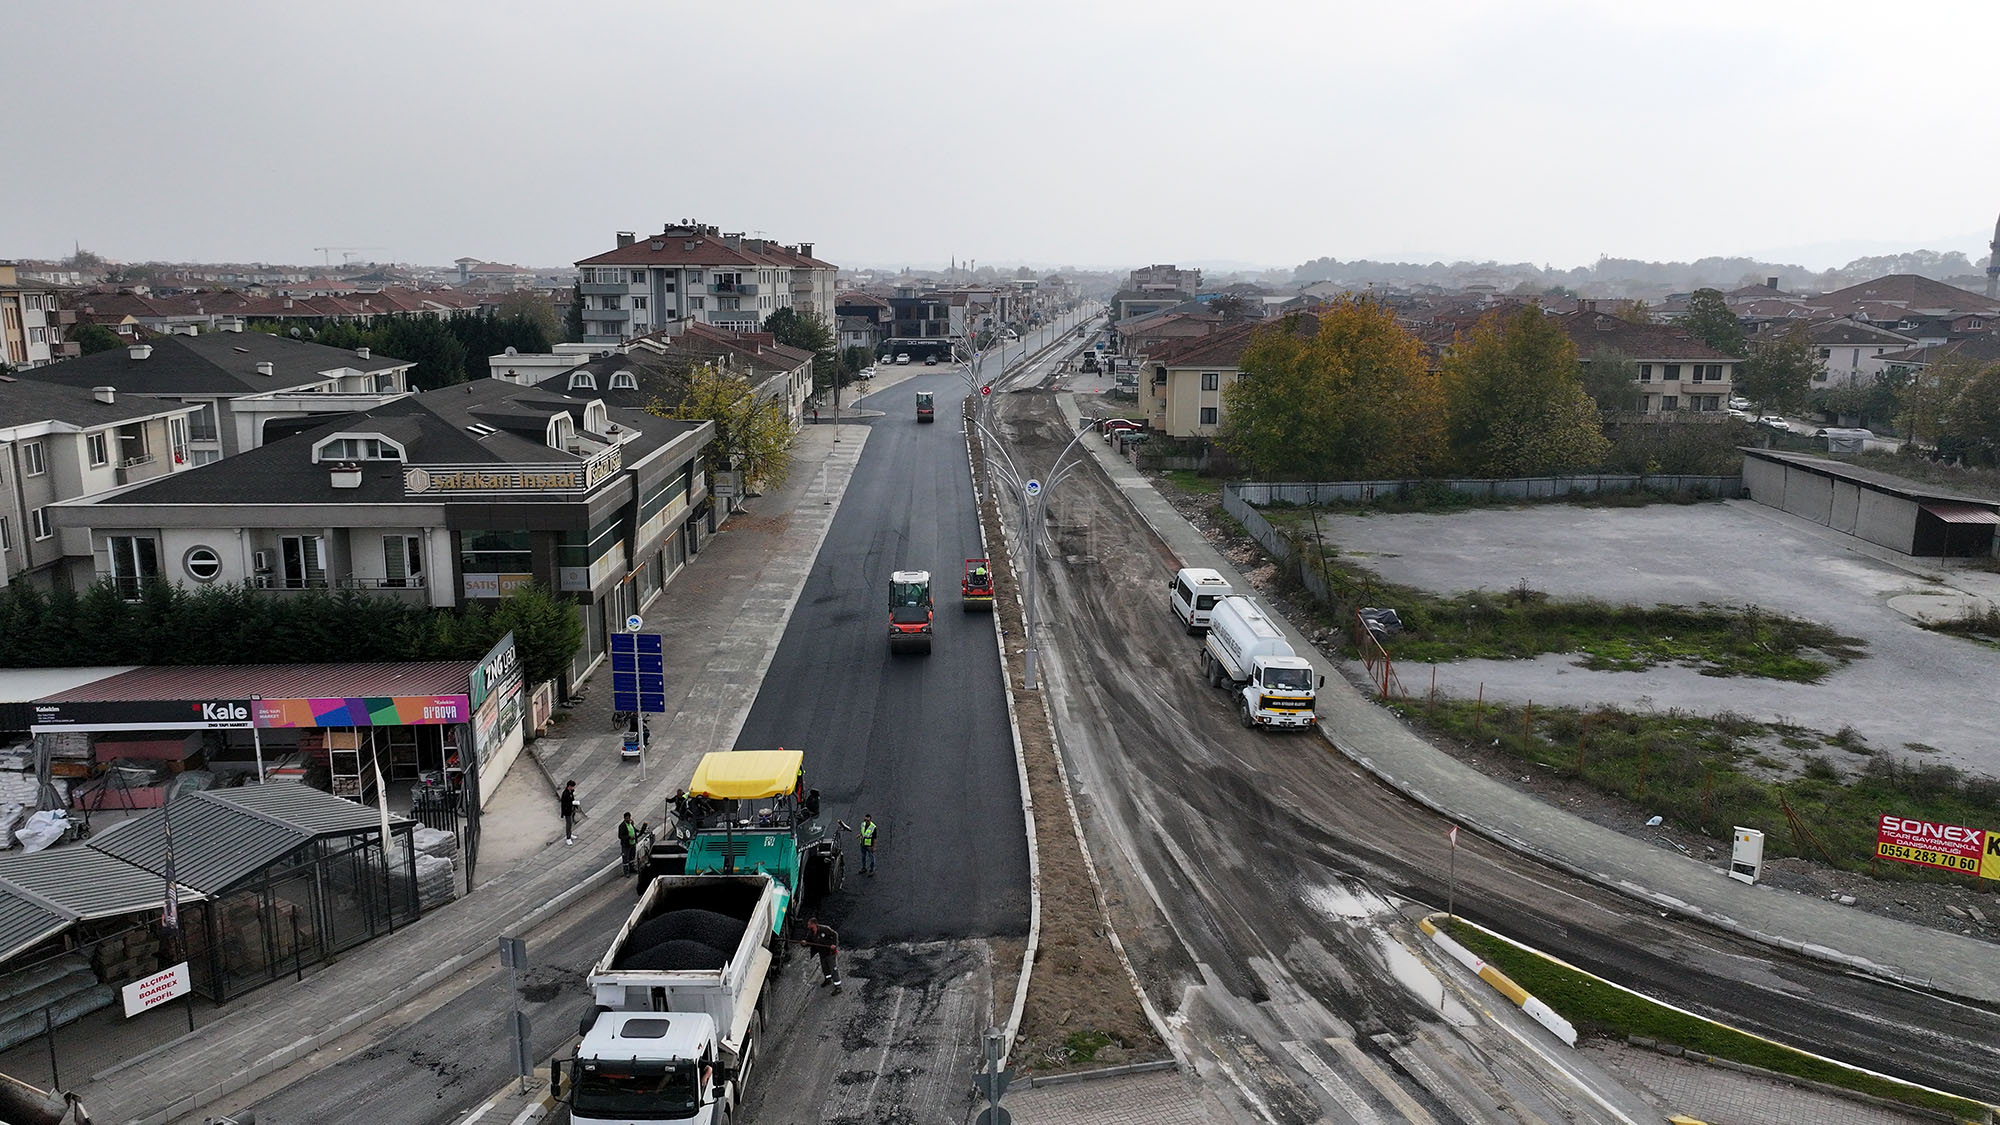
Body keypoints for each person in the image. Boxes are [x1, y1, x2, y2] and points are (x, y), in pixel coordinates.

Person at [802, 917, 842, 988]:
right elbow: (808, 941)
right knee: (825, 968)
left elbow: (835, 934)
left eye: (809, 924)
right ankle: (828, 979)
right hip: (822, 954)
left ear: (813, 924)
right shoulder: (811, 933)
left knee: (833, 969)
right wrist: (804, 943)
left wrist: (834, 944)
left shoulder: (824, 929)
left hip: (830, 953)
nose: (807, 926)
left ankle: (838, 986)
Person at [559, 780, 579, 845]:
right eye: (573, 787)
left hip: (571, 810)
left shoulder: (571, 792)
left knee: (571, 823)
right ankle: (568, 838)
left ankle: (570, 834)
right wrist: (573, 803)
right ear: (569, 786)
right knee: (569, 824)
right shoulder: (565, 794)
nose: (574, 788)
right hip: (567, 811)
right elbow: (564, 804)